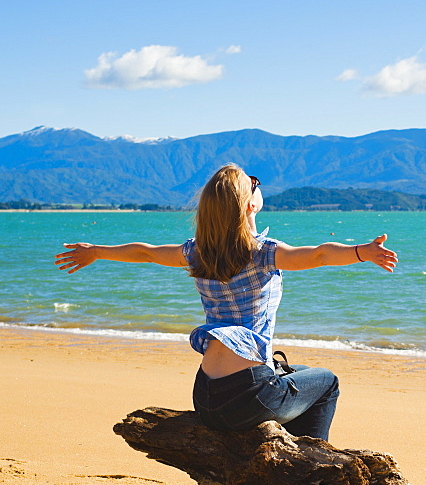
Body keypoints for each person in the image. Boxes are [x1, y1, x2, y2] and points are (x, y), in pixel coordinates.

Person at [54, 164, 397, 441]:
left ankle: (279, 451)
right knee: (328, 383)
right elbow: (320, 255)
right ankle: (310, 464)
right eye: (253, 183)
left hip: (206, 396)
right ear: (250, 204)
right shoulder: (264, 254)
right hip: (249, 396)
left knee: (303, 373)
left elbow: (145, 252)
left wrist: (96, 252)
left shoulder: (196, 252)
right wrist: (360, 253)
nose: (257, 186)